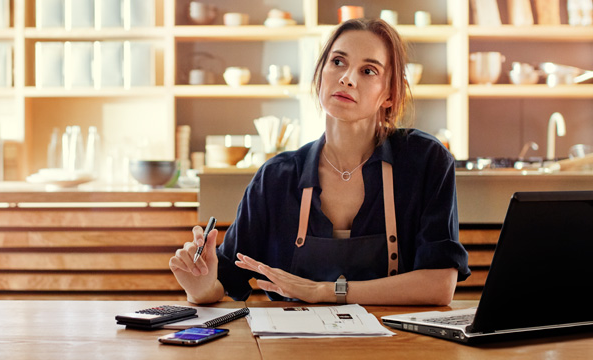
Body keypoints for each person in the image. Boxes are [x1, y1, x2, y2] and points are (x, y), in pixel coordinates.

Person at [169, 18, 470, 305]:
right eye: (338, 62)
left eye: (368, 71)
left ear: (389, 94)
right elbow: (224, 280)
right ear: (321, 73)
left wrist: (326, 291)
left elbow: (439, 285)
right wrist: (200, 285)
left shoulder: (425, 161)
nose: (347, 78)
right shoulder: (277, 177)